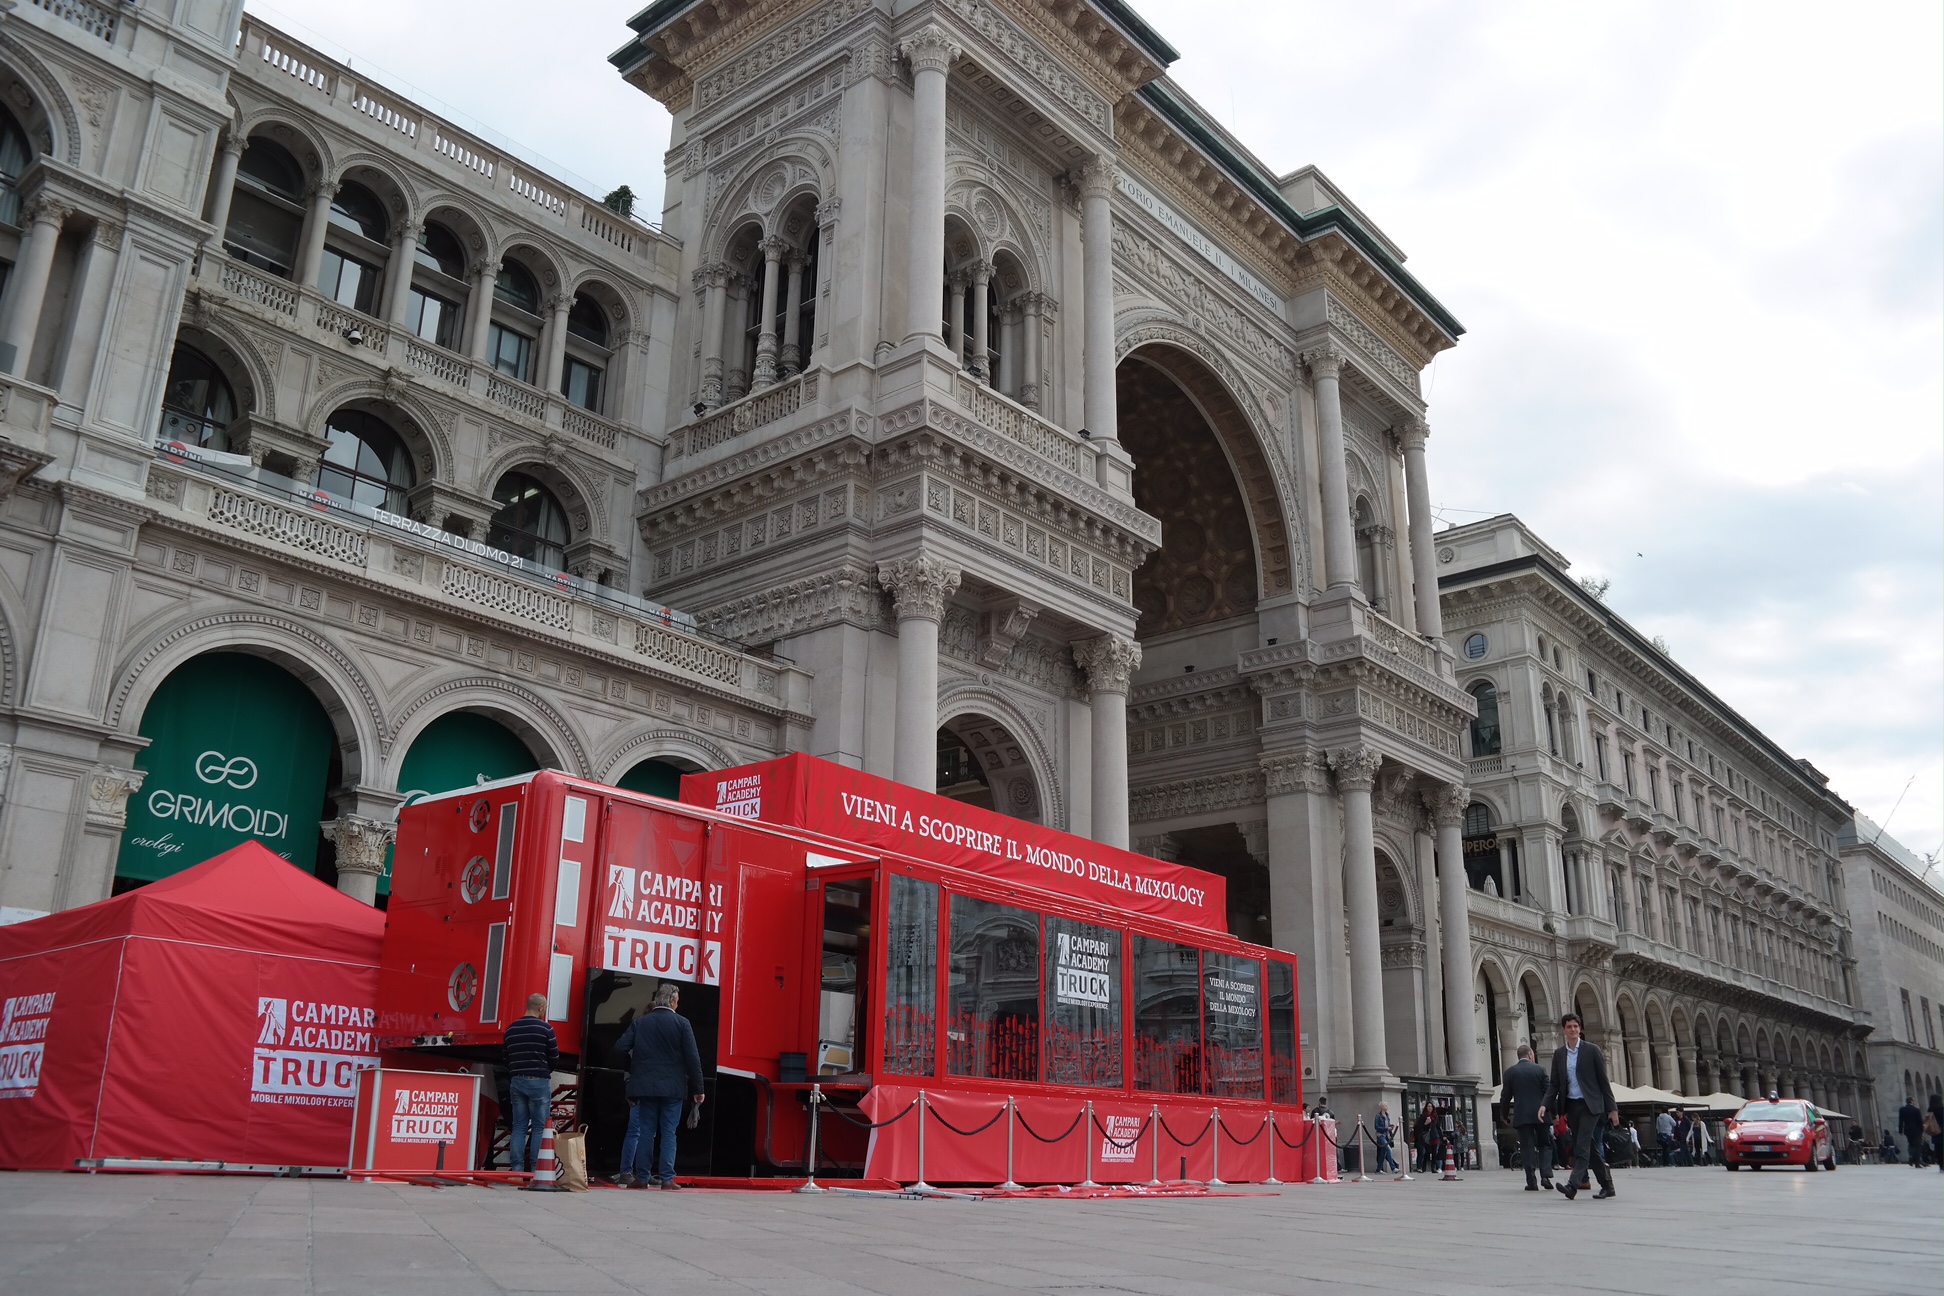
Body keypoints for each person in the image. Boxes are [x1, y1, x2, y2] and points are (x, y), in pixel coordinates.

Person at [612, 982, 705, 1190]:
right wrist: (698, 1089)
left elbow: (619, 1049)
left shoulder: (640, 1022)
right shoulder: (682, 1024)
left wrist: (632, 1068)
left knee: (646, 1132)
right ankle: (667, 1179)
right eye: (677, 1001)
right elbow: (693, 1058)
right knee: (669, 1133)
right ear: (672, 1001)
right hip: (673, 1088)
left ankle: (642, 1178)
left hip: (645, 1087)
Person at [1538, 1011, 1619, 1201]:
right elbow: (1555, 1084)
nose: (1573, 1029)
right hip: (1572, 1106)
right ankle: (1608, 1186)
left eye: (1576, 1026)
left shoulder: (1592, 1050)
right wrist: (1544, 1105)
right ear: (1564, 1030)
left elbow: (1603, 1081)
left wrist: (1612, 1108)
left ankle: (1573, 1185)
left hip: (1591, 1105)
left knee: (1581, 1145)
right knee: (1589, 1147)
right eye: (1569, 1027)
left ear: (1580, 1029)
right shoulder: (1559, 1054)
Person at [502, 992, 559, 1173]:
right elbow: (554, 1058)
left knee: (518, 1126)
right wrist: (544, 1071)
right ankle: (536, 1169)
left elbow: (505, 1057)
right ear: (541, 1008)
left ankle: (517, 1170)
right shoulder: (546, 1029)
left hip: (516, 1081)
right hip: (538, 1082)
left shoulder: (510, 1030)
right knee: (539, 1127)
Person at [1503, 1042, 1553, 1191]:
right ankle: (1545, 1176)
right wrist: (1554, 1113)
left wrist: (1504, 1115)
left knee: (1527, 1147)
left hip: (1522, 1115)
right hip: (1541, 1115)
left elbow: (1505, 1097)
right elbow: (1549, 1092)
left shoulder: (1510, 1072)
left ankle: (1531, 1181)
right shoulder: (1540, 1069)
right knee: (1545, 1144)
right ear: (1531, 1055)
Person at [1373, 1101, 1399, 1173]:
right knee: (1389, 1150)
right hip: (1380, 1135)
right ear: (1382, 1107)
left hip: (1386, 1135)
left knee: (1383, 1153)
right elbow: (1377, 1127)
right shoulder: (1378, 1116)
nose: (1387, 1107)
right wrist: (1386, 1128)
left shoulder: (1387, 1115)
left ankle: (1379, 1169)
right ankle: (1393, 1167)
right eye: (1385, 1106)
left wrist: (1390, 1127)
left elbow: (1387, 1124)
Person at [1898, 1096, 1925, 1168]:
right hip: (1917, 1130)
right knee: (1918, 1146)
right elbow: (1920, 1121)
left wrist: (1901, 1130)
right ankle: (1916, 1162)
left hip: (1908, 1130)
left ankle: (1911, 1159)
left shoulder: (1902, 1109)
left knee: (1911, 1145)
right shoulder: (1916, 1110)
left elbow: (1901, 1121)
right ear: (1912, 1101)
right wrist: (1922, 1130)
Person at [1927, 1095, 1944, 1172]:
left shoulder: (1930, 1110)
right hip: (1942, 1131)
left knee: (1938, 1148)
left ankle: (1941, 1165)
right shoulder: (1941, 1110)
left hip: (1934, 1131)